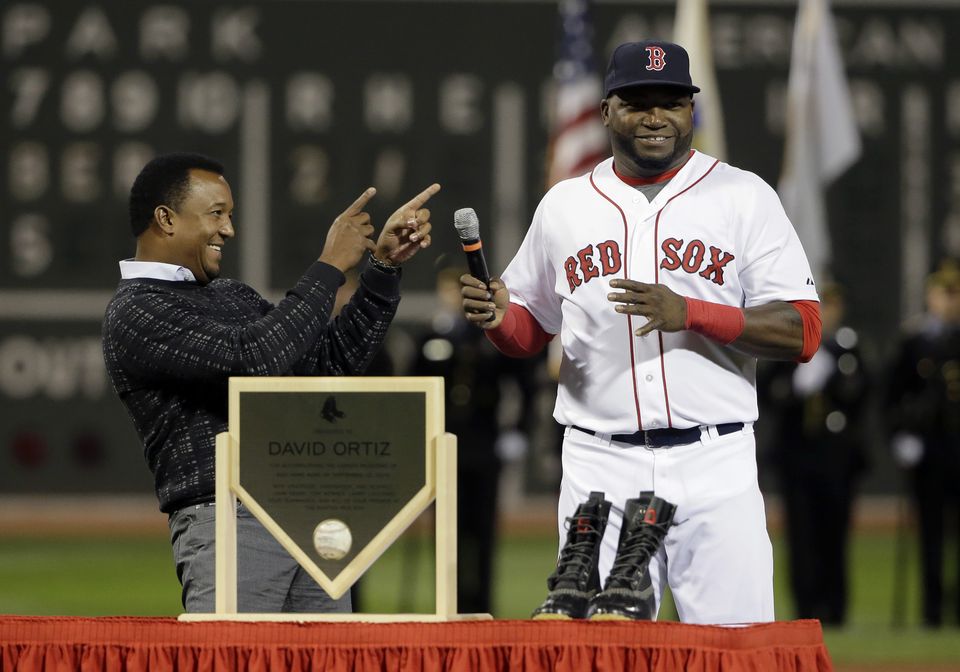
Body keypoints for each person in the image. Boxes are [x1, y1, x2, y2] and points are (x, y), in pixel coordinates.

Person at [459, 40, 822, 624]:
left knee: (735, 651)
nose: (655, 116)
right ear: (606, 110)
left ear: (691, 110)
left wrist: (695, 313)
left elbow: (803, 331)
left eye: (672, 101)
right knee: (599, 656)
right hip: (599, 467)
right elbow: (529, 333)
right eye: (636, 101)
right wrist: (502, 320)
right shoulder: (565, 206)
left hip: (715, 458)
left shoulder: (744, 196)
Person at [102, 152, 439, 613]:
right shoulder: (136, 310)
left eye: (231, 215)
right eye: (216, 214)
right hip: (227, 517)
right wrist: (329, 265)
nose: (229, 230)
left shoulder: (231, 294)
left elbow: (327, 366)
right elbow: (252, 360)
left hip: (306, 515)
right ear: (166, 219)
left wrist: (381, 269)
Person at [411, 267, 535, 614]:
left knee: (482, 531)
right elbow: (416, 389)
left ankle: (482, 604)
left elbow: (522, 381)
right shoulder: (432, 336)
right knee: (445, 531)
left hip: (484, 442)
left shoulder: (490, 333)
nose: (453, 297)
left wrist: (518, 431)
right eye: (448, 290)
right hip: (443, 443)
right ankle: (449, 604)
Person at [759, 283, 869, 625]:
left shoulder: (847, 349)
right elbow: (767, 394)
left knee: (835, 533)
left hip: (837, 458)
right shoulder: (786, 349)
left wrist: (836, 377)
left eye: (832, 305)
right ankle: (805, 608)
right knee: (801, 536)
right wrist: (795, 388)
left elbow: (863, 395)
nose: (827, 312)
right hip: (797, 456)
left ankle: (836, 609)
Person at [885, 261, 960, 628]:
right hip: (929, 451)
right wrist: (901, 436)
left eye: (955, 293)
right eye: (944, 292)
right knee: (930, 533)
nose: (949, 301)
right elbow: (893, 395)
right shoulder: (914, 341)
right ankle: (931, 612)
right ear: (931, 295)